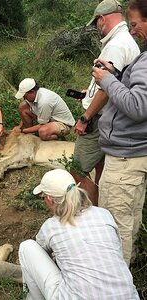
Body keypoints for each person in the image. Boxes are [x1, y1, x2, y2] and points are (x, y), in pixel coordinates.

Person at [18, 169, 139, 300]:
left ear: (49, 199)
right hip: (128, 296)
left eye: (43, 197)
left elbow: (41, 253)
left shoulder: (51, 226)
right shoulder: (104, 214)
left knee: (27, 247)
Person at [92, 0, 147, 267]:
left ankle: (115, 282)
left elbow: (138, 106)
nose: (133, 30)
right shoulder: (143, 56)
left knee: (116, 223)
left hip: (126, 158)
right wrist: (118, 73)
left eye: (135, 24)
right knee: (129, 216)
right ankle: (127, 266)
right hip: (136, 152)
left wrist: (107, 80)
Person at [72, 0, 140, 205]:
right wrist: (88, 93)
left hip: (100, 118)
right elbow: (114, 83)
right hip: (113, 117)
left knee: (76, 169)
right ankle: (101, 205)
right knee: (101, 165)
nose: (95, 28)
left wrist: (85, 117)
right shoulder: (126, 41)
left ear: (102, 19)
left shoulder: (116, 46)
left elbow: (105, 92)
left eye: (95, 24)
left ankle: (89, 212)